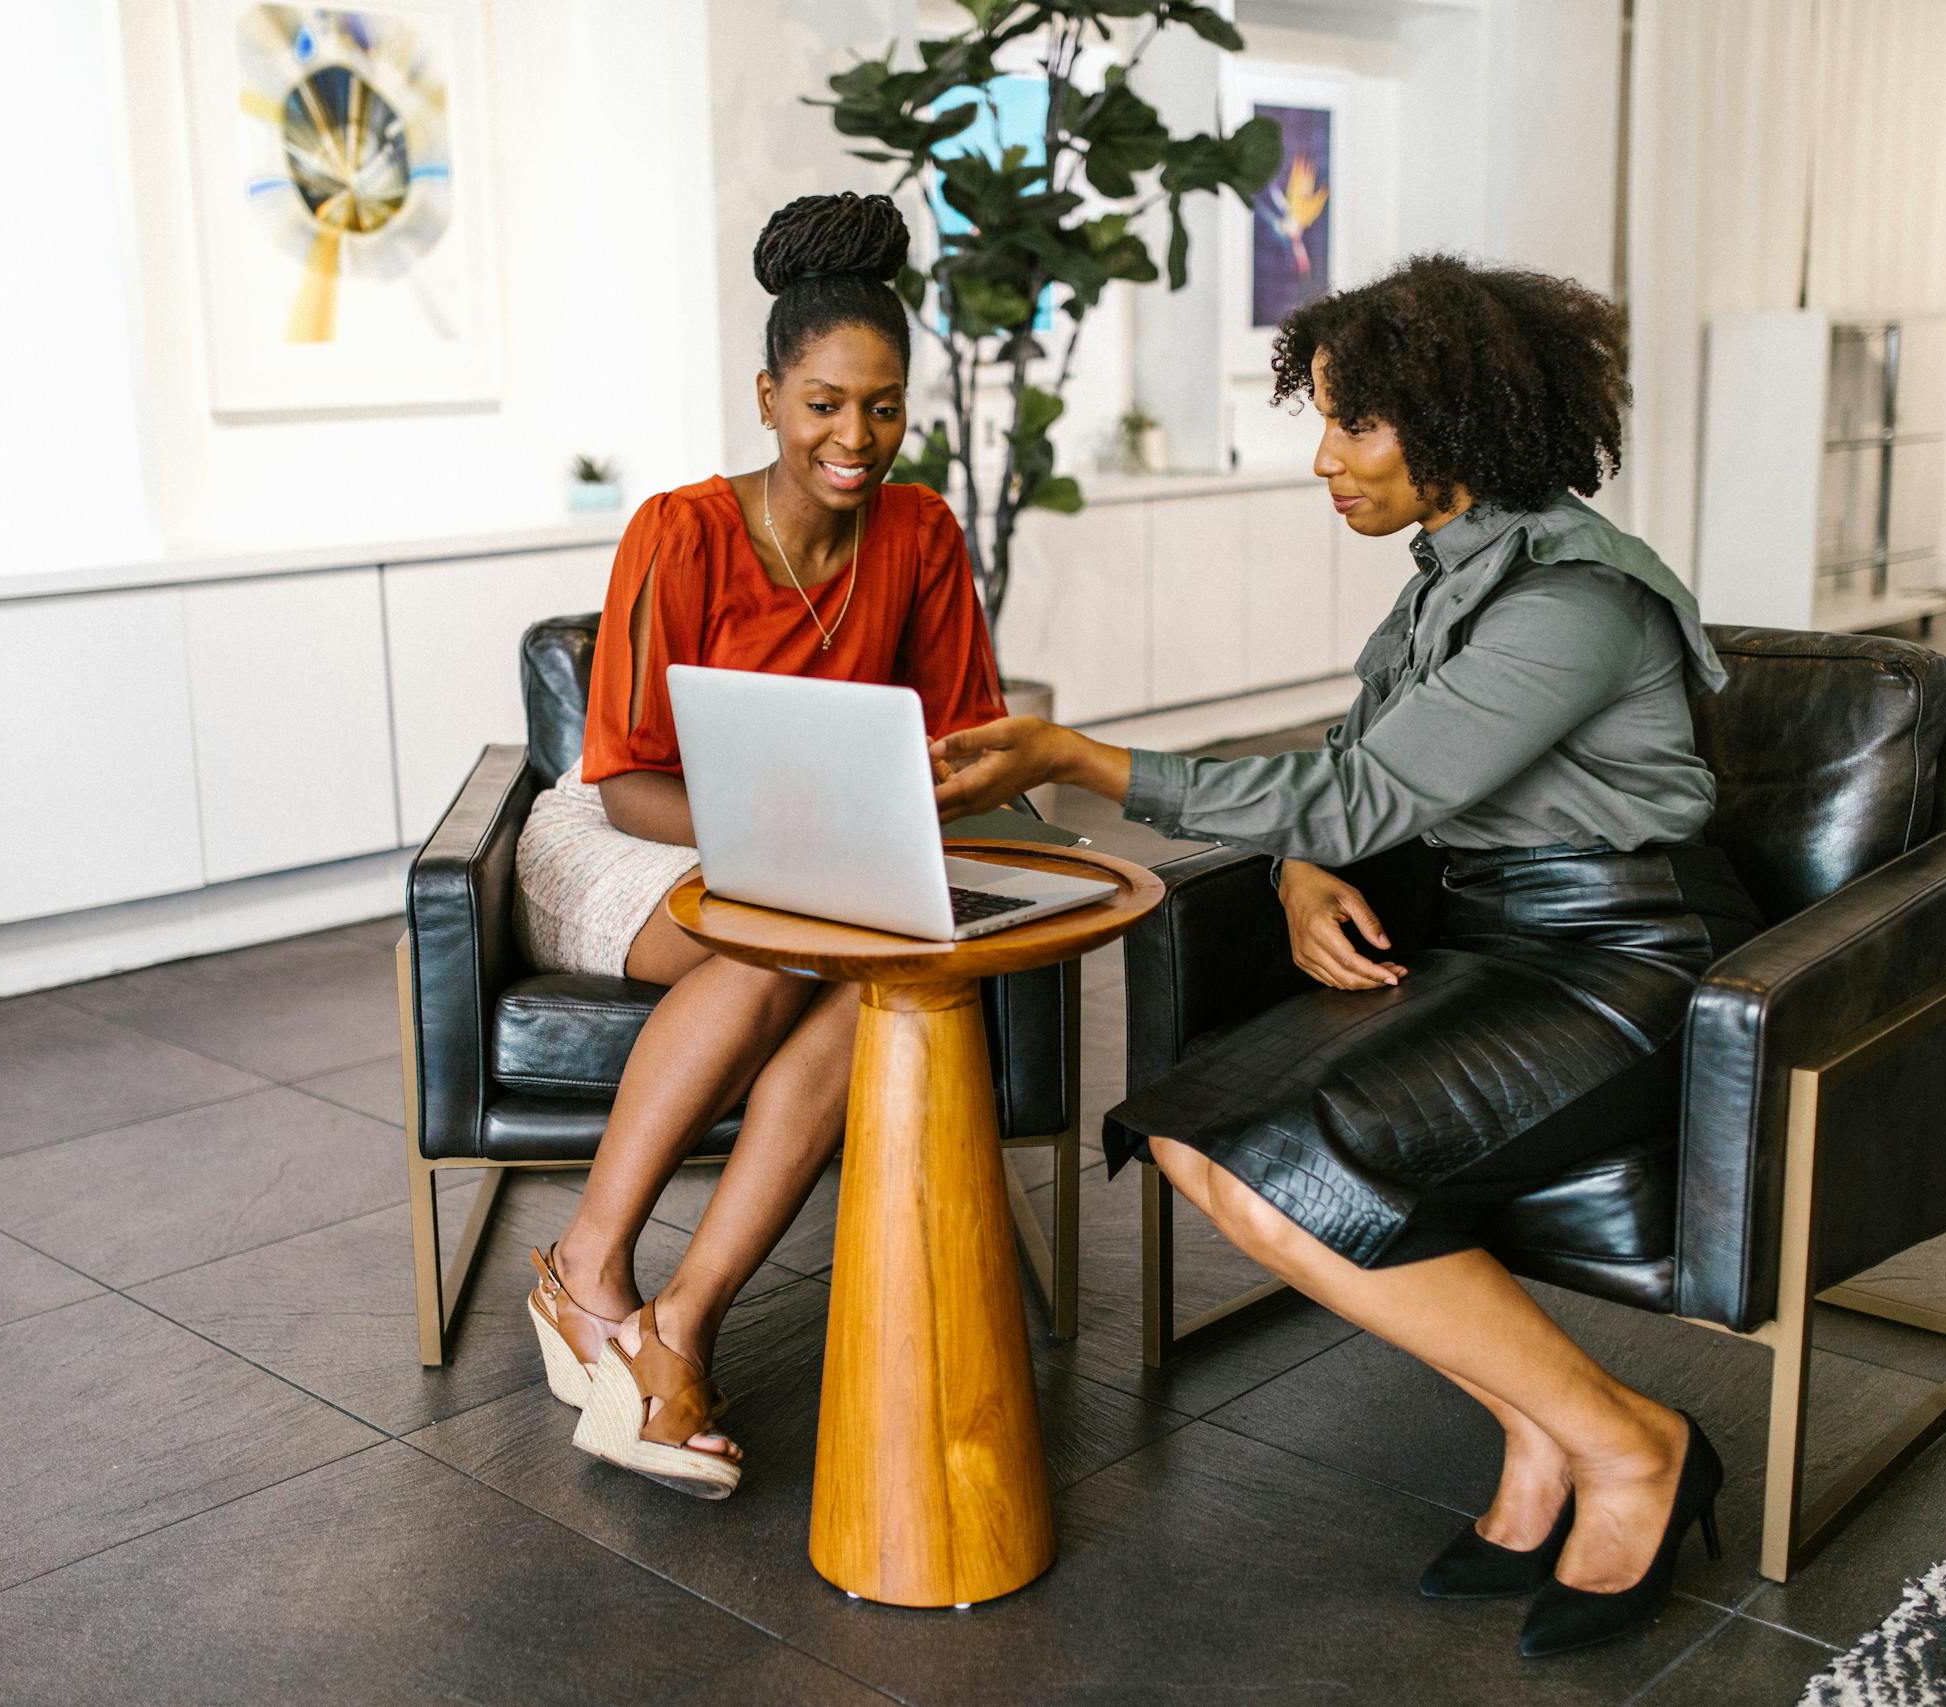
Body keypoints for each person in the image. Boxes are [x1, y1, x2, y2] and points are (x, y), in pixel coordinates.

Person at [929, 254, 1764, 1655]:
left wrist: (1084, 758)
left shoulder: (1570, 602)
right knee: (1193, 1135)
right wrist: (1309, 864)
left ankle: (1634, 1447)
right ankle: (1541, 1430)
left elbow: (1366, 790)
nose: (1323, 459)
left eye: (1354, 424)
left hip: (1630, 964)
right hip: (1495, 938)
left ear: (1457, 427)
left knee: (1294, 1171)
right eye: (1320, 418)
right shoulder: (1453, 572)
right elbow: (1357, 768)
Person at [512, 192, 1005, 1499]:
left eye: (885, 405)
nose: (858, 436)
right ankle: (587, 1272)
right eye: (827, 403)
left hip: (792, 860)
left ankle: (676, 1323)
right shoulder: (678, 531)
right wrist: (805, 850)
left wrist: (918, 802)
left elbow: (964, 742)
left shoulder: (921, 537)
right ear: (770, 396)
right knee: (787, 940)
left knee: (876, 980)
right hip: (619, 835)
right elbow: (619, 779)